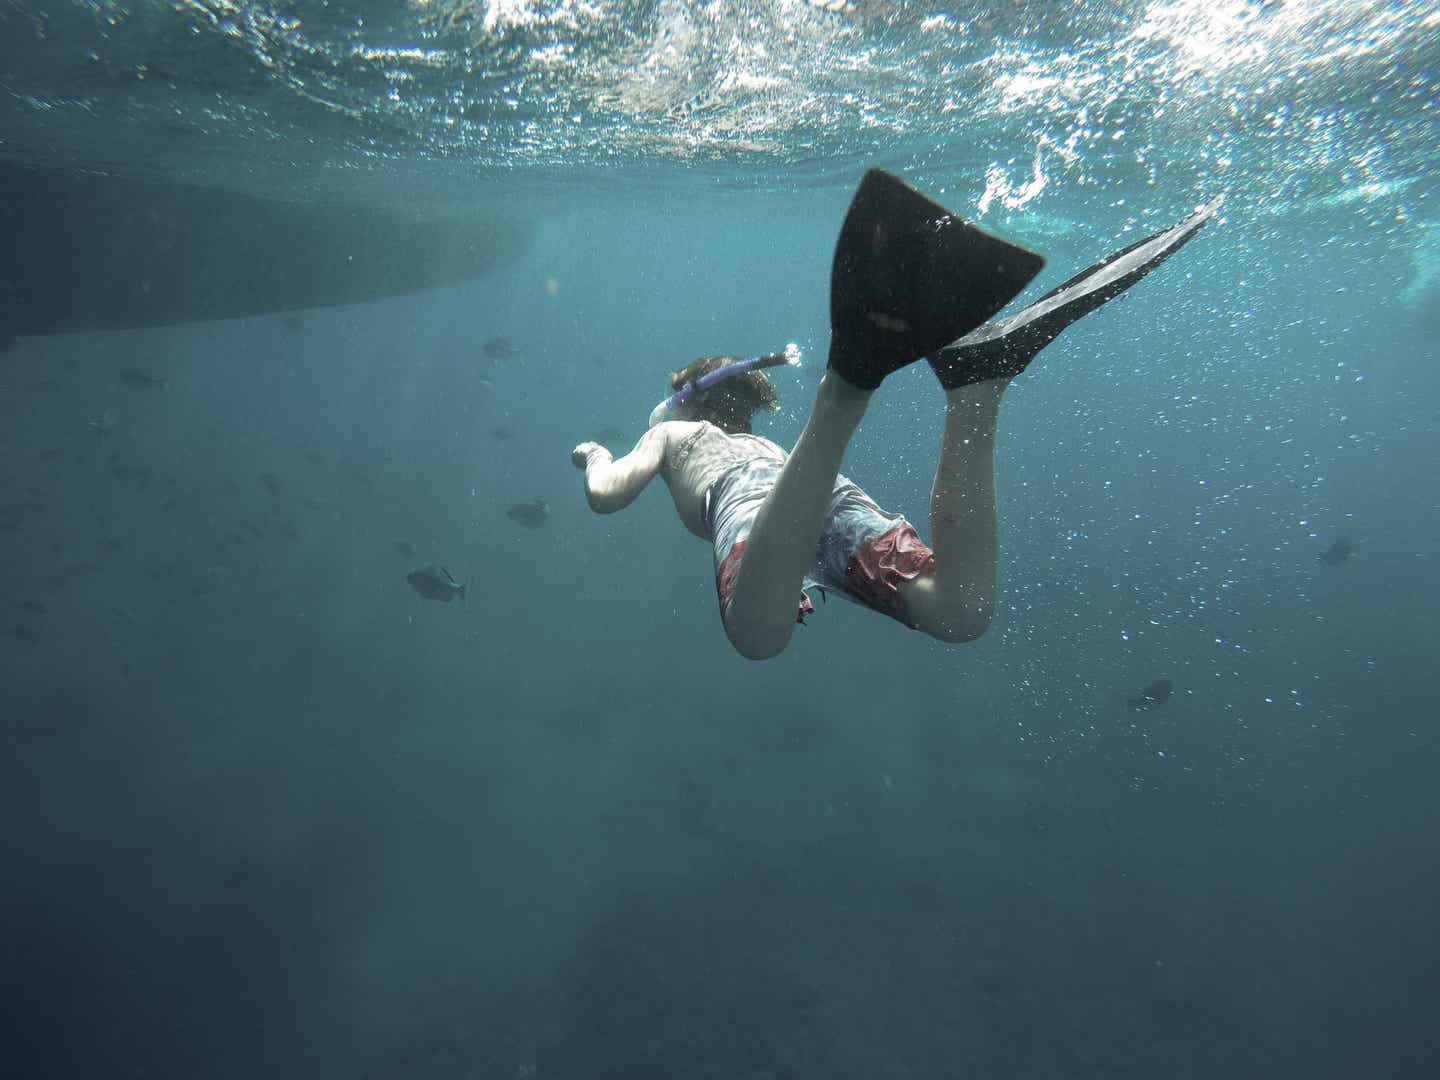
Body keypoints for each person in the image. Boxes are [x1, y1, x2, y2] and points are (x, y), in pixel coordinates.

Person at [572, 170, 1218, 660]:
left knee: (756, 634)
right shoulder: (753, 443)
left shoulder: (673, 431)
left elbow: (607, 497)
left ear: (687, 395)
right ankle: (976, 385)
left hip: (748, 503)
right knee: (960, 613)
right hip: (820, 492)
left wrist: (597, 457)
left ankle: (845, 387)